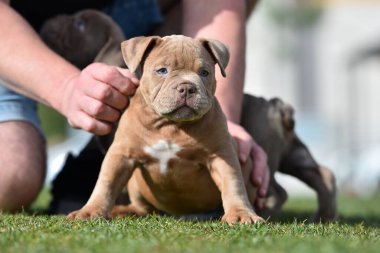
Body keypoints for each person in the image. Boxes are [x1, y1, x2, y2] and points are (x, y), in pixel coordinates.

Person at [0, 0, 269, 213]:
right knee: (11, 178)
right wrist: (65, 87)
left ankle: (95, 161)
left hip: (133, 11)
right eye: (163, 70)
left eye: (201, 74)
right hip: (13, 36)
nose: (187, 86)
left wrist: (223, 125)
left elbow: (218, 6)